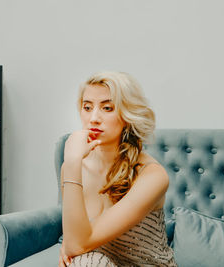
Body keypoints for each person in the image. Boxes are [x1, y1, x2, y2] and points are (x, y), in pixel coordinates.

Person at [58, 71, 177, 267]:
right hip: (99, 263)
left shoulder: (152, 175)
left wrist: (74, 247)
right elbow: (73, 243)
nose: (94, 118)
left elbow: (76, 244)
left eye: (107, 108)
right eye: (87, 107)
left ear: (127, 114)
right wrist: (72, 163)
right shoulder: (73, 166)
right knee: (87, 261)